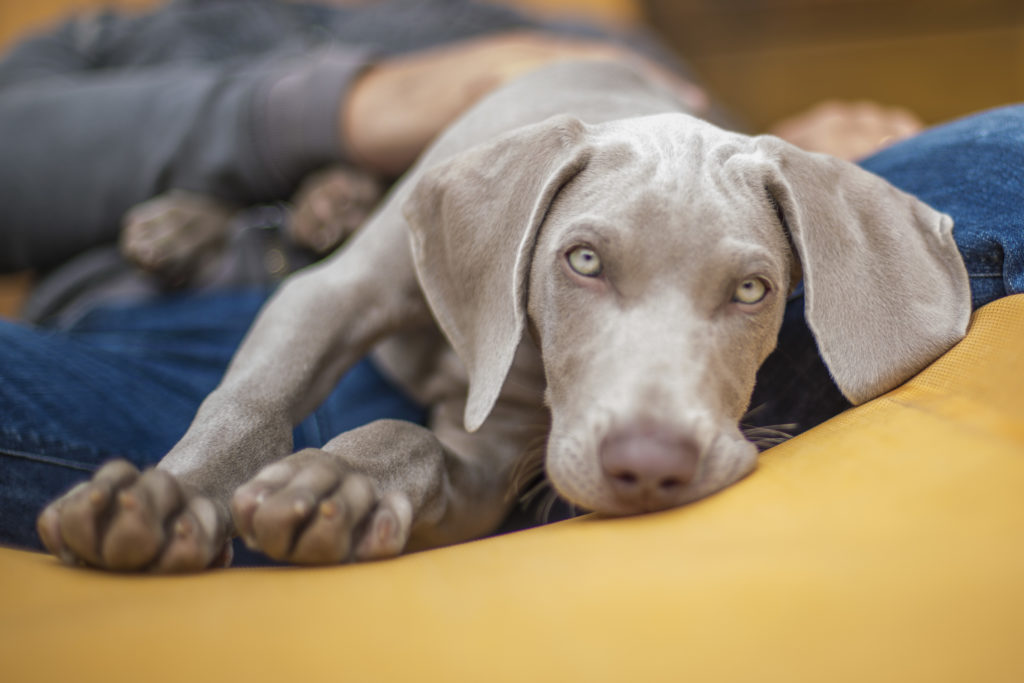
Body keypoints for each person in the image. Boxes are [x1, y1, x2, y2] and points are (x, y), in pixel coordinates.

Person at [3, 0, 1018, 563]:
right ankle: (194, 500)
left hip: (537, 378)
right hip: (154, 365)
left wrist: (808, 165)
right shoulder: (130, 35)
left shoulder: (608, 49)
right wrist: (359, 104)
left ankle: (436, 486)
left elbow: (690, 207)